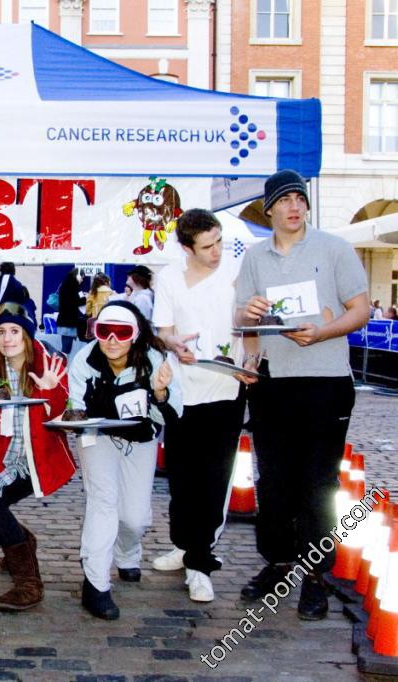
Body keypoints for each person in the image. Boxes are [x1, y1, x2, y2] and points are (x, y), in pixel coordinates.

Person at [234, 169, 371, 620]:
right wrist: (250, 349)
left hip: (325, 381)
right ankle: (277, 562)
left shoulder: (335, 248)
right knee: (272, 480)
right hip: (274, 384)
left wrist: (323, 331)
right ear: (269, 208)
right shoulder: (255, 257)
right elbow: (245, 321)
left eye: (300, 198)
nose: (294, 206)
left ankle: (315, 576)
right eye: (285, 199)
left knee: (318, 485)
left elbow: (361, 309)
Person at [150, 208, 256, 603]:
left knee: (214, 478)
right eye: (208, 246)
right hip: (182, 391)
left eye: (219, 243)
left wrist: (250, 361)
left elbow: (251, 327)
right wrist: (172, 344)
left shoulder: (236, 272)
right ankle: (183, 545)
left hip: (226, 389)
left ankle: (200, 561)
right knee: (181, 476)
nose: (216, 251)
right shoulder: (169, 278)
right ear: (186, 247)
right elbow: (163, 330)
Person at [68, 301, 181, 620]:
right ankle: (96, 583)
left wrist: (160, 394)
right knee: (103, 503)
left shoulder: (154, 359)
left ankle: (128, 553)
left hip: (140, 439)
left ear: (135, 334)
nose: (113, 340)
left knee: (135, 516)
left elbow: (174, 414)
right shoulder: (84, 360)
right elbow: (74, 407)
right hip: (97, 436)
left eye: (122, 332)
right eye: (105, 331)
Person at [0, 302, 74, 611]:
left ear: (26, 336)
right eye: (1, 332)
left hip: (36, 458)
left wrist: (52, 392)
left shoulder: (49, 367)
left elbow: (62, 418)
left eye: (14, 331)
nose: (7, 338)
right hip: (4, 458)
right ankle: (23, 543)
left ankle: (29, 583)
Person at [83, 273, 114, 340]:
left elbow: (88, 311)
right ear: (106, 282)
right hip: (109, 322)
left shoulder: (92, 293)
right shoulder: (112, 293)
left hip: (96, 323)